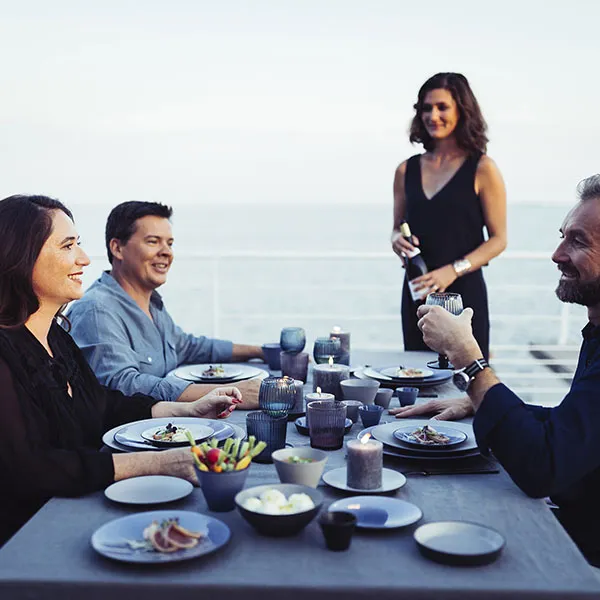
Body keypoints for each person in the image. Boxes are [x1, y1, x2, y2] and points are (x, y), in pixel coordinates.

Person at [0, 194, 244, 545]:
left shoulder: (56, 336)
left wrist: (186, 410)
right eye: (68, 246)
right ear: (20, 255)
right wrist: (153, 464)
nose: (84, 258)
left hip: (82, 507)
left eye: (79, 244)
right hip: (29, 540)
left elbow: (101, 404)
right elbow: (28, 469)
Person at [391, 174, 600, 566]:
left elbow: (543, 467)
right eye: (562, 237)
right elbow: (578, 432)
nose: (556, 254)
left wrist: (468, 358)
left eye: (578, 241)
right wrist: (481, 403)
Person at [68, 201, 264, 406]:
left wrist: (260, 351)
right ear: (117, 248)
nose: (166, 252)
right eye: (153, 242)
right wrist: (227, 393)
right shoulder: (96, 311)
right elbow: (123, 385)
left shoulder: (152, 304)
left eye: (169, 244)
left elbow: (190, 347)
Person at [391, 72, 507, 360]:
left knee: (468, 379)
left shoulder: (483, 168)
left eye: (442, 107)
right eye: (426, 108)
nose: (433, 116)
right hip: (418, 294)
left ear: (462, 111)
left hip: (464, 296)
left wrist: (452, 270)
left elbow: (498, 240)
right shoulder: (406, 170)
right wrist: (396, 240)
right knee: (416, 375)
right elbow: (397, 228)